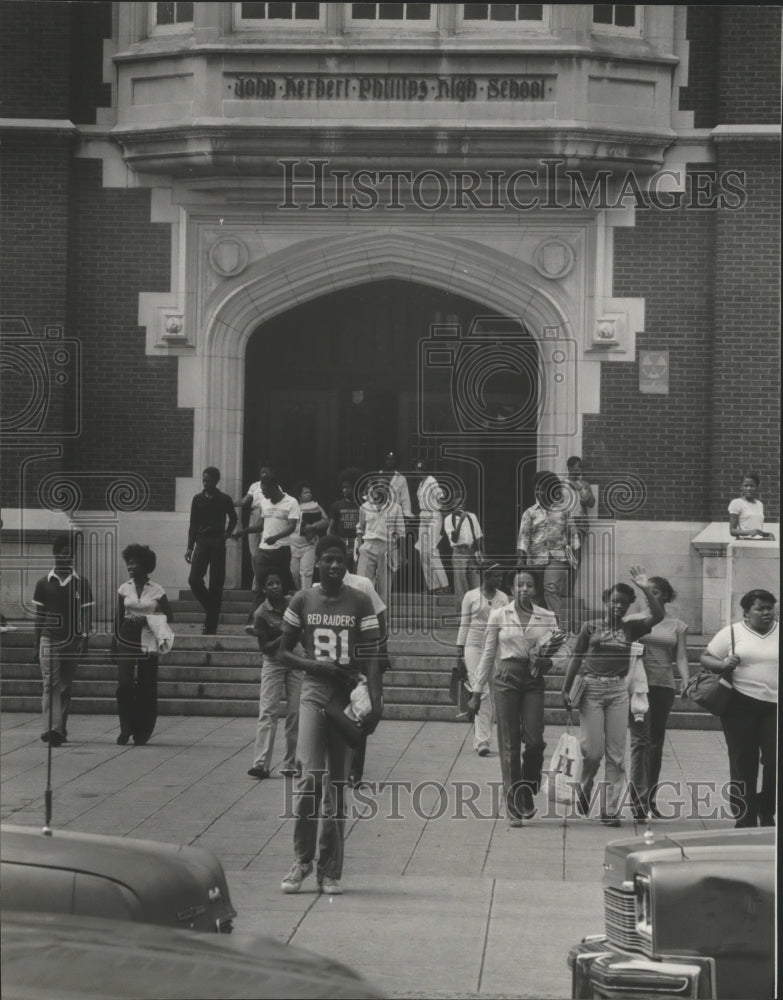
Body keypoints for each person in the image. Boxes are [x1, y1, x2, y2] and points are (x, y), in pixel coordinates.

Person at [278, 536, 383, 896]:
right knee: (309, 776)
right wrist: (314, 664)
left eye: (340, 560)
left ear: (347, 563)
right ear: (317, 564)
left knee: (336, 784)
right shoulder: (302, 598)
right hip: (314, 689)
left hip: (348, 693)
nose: (335, 565)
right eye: (328, 560)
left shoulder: (360, 599)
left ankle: (329, 868)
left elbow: (372, 652)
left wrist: (376, 697)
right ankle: (301, 860)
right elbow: (282, 651)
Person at [561, 567, 664, 826]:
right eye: (613, 601)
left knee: (616, 755)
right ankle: (585, 785)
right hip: (591, 690)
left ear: (629, 606)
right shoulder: (590, 627)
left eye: (623, 603)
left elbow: (658, 615)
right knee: (592, 752)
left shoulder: (631, 628)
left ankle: (610, 810)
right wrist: (565, 688)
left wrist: (645, 588)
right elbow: (576, 658)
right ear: (605, 601)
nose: (617, 606)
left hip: (619, 691)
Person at [468, 569, 557, 825]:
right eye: (520, 585)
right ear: (513, 588)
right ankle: (514, 804)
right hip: (506, 678)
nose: (524, 590)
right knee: (509, 745)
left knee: (535, 741)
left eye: (529, 585)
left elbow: (562, 651)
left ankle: (528, 790)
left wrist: (547, 661)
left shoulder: (546, 617)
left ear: (536, 589)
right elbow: (487, 655)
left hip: (533, 681)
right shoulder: (499, 615)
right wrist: (477, 692)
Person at [701, 589, 778, 827]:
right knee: (743, 760)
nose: (767, 612)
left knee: (775, 760)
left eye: (770, 607)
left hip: (775, 706)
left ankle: (766, 809)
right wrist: (723, 663)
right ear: (746, 612)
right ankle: (744, 816)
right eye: (760, 608)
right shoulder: (732, 632)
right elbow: (706, 658)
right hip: (739, 705)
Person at [628, 576, 690, 819]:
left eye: (656, 591)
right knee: (639, 743)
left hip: (663, 685)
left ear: (666, 595)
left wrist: (685, 678)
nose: (650, 595)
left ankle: (649, 798)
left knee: (655, 744)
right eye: (647, 591)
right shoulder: (632, 620)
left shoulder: (677, 625)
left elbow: (681, 656)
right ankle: (637, 800)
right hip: (637, 686)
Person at [32, 533, 94, 747]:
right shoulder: (43, 583)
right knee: (51, 684)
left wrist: (85, 638)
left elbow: (86, 613)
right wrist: (35, 644)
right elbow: (39, 616)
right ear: (55, 555)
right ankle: (52, 729)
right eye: (62, 554)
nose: (66, 558)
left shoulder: (81, 583)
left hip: (73, 640)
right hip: (49, 640)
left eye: (70, 555)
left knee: (66, 687)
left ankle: (60, 728)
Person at [112, 544, 173, 747]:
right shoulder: (124, 588)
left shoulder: (157, 590)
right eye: (128, 562)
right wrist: (114, 642)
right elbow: (117, 618)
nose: (130, 566)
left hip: (148, 637)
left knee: (147, 685)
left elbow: (169, 615)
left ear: (145, 565)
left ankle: (143, 731)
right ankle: (125, 728)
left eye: (134, 562)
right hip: (127, 635)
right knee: (125, 685)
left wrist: (148, 618)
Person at [247, 571, 303, 780]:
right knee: (268, 711)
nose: (274, 587)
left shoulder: (292, 604)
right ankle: (261, 764)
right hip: (274, 661)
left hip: (296, 659)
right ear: (263, 589)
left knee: (296, 712)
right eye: (270, 584)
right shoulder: (260, 614)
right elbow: (265, 647)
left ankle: (292, 763)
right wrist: (285, 633)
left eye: (277, 582)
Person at [517, 470, 580, 628]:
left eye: (542, 488)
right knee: (536, 594)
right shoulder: (530, 513)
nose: (538, 491)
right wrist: (520, 558)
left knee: (550, 588)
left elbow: (573, 535)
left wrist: (576, 559)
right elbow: (524, 537)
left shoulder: (564, 511)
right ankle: (540, 629)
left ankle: (555, 627)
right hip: (536, 558)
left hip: (557, 558)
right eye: (536, 488)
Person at [457, 564, 508, 756]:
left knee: (492, 691)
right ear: (486, 577)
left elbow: (503, 625)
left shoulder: (502, 598)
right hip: (472, 644)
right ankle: (482, 741)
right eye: (497, 576)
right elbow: (464, 624)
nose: (500, 580)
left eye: (501, 577)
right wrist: (458, 654)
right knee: (482, 690)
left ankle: (486, 736)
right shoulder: (470, 596)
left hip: (493, 645)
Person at [233, 473, 299, 607]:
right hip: (264, 551)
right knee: (259, 585)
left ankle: (282, 617)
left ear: (273, 487)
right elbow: (261, 526)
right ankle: (254, 620)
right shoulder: (264, 503)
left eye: (264, 490)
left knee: (282, 586)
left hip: (282, 550)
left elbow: (292, 527)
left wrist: (275, 538)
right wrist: (244, 531)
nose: (262, 493)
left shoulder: (291, 502)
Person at [185, 467, 237, 635]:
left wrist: (227, 534)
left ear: (216, 481)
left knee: (216, 583)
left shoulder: (224, 499)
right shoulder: (197, 499)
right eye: (203, 480)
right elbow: (193, 524)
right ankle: (212, 609)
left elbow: (234, 518)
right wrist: (189, 547)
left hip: (217, 542)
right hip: (201, 542)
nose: (205, 483)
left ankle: (211, 626)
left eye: (208, 480)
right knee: (194, 579)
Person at [356, 476, 405, 606]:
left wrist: (400, 554)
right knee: (362, 584)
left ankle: (384, 621)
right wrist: (361, 547)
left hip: (387, 548)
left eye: (385, 486)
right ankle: (363, 619)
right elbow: (360, 529)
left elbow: (400, 533)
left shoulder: (396, 508)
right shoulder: (364, 507)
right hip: (368, 547)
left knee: (385, 588)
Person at [414, 463, 449, 595]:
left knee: (432, 550)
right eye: (418, 469)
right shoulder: (421, 484)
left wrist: (445, 513)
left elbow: (441, 497)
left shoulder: (431, 480)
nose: (419, 472)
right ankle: (433, 586)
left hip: (434, 515)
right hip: (423, 516)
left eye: (422, 469)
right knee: (423, 552)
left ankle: (444, 585)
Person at [443, 503, 484, 610]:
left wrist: (480, 552)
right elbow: (454, 539)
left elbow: (478, 535)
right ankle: (462, 615)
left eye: (461, 503)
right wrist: (460, 521)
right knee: (461, 585)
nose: (459, 506)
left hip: (471, 552)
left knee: (476, 584)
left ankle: (476, 614)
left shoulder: (472, 516)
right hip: (459, 552)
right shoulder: (449, 519)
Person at [289, 481, 328, 591]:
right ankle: (301, 592)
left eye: (310, 492)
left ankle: (305, 597)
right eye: (305, 493)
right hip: (293, 545)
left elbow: (326, 521)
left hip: (309, 544)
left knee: (306, 573)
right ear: (299, 496)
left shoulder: (316, 506)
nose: (309, 494)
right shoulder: (292, 506)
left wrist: (313, 526)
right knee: (295, 572)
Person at [561, 456, 595, 565]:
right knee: (565, 557)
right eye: (578, 467)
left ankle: (572, 581)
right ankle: (566, 580)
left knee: (576, 558)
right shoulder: (561, 485)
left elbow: (591, 503)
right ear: (570, 468)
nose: (580, 470)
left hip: (580, 524)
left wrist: (581, 490)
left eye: (581, 467)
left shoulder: (584, 484)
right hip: (565, 524)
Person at [237, 462, 272, 568]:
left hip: (268, 514)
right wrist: (227, 503)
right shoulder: (255, 486)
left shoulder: (275, 486)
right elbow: (244, 501)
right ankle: (256, 577)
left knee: (266, 546)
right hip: (256, 514)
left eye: (266, 472)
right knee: (254, 548)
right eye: (262, 472)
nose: (264, 474)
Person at [327, 468, 361, 572]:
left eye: (348, 487)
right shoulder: (337, 505)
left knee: (357, 574)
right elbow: (331, 527)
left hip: (357, 544)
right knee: (342, 574)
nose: (344, 490)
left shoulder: (363, 505)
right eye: (343, 487)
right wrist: (330, 544)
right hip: (341, 544)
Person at [728, 471, 775, 539]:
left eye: (751, 486)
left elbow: (757, 530)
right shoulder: (737, 503)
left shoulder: (760, 504)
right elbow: (732, 531)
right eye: (746, 485)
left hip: (759, 542)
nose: (748, 488)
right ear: (741, 487)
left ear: (757, 487)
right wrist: (750, 532)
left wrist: (766, 534)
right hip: (744, 543)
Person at [380, 450, 412, 517]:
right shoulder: (377, 476)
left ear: (395, 461)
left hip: (396, 513)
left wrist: (407, 514)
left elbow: (405, 498)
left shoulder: (401, 478)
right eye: (388, 459)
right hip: (381, 512)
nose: (390, 462)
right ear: (384, 460)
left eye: (392, 459)